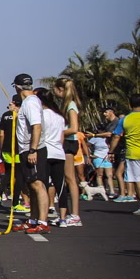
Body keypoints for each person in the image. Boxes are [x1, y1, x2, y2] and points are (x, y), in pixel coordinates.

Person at [10, 74, 50, 232]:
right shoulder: (29, 102)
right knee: (31, 185)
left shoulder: (30, 102)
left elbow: (37, 126)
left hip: (33, 149)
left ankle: (43, 222)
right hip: (27, 149)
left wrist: (33, 150)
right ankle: (33, 220)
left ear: (17, 87)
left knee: (37, 184)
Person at [53, 79, 83, 225]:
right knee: (66, 177)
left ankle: (75, 214)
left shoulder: (71, 105)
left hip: (69, 142)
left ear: (60, 89)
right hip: (66, 142)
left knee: (70, 178)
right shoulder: (66, 104)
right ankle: (70, 213)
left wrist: (59, 132)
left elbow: (74, 128)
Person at [37, 90, 69, 225]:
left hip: (45, 152)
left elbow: (38, 133)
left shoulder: (41, 115)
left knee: (42, 185)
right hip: (59, 153)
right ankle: (62, 218)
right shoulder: (59, 117)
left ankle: (42, 217)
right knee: (60, 185)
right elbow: (61, 138)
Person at [121, 94, 140, 214]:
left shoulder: (125, 119)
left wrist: (111, 151)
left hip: (133, 153)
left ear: (130, 105)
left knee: (138, 180)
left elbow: (117, 136)